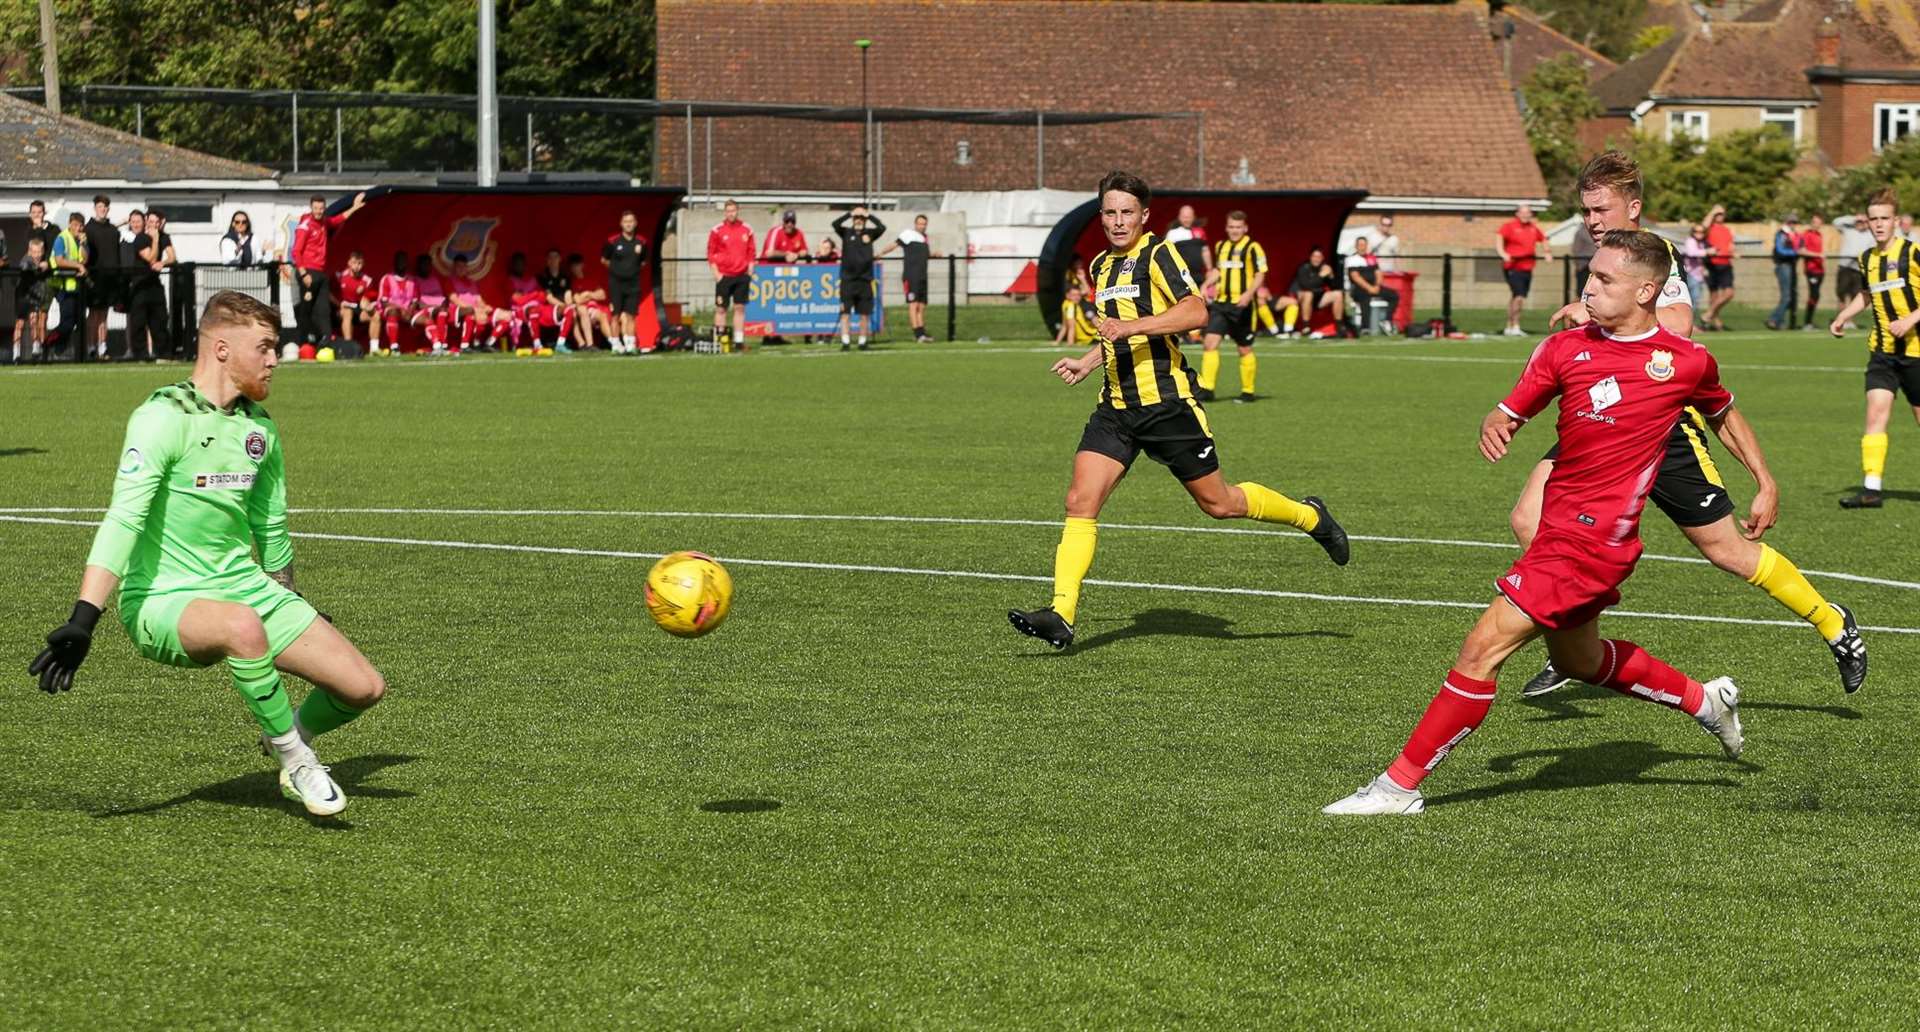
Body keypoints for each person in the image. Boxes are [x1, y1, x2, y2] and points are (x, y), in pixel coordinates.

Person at [1321, 231, 1761, 816]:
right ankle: (1704, 701)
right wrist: (1498, 423)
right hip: (1559, 528)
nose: (1590, 285)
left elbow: (1723, 410)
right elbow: (1514, 406)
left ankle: (1396, 788)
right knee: (1581, 661)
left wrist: (1765, 478)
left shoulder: (1684, 362)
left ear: (1647, 290)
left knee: (1481, 651)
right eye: (1591, 274)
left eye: (1605, 278)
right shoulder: (1564, 348)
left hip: (1593, 543)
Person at [27, 291, 386, 816]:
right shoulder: (161, 417)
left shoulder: (259, 427)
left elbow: (269, 523)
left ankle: (284, 736)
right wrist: (84, 617)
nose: (274, 360)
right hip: (163, 600)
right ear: (221, 348)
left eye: (276, 348)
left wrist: (290, 601)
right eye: (264, 347)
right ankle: (296, 760)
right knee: (241, 627)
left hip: (244, 587)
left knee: (364, 687)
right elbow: (123, 518)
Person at [1524, 152, 1862, 699]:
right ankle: (1574, 648)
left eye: (1600, 208)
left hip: (1661, 430)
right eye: (1584, 210)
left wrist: (1595, 313)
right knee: (1528, 519)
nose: (1590, 220)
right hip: (1602, 423)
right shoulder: (1605, 258)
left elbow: (1680, 323)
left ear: (1632, 207)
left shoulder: (1655, 256)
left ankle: (1831, 621)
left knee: (1727, 550)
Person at [1006, 171, 1350, 651]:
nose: (1118, 220)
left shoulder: (1160, 254)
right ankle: (1061, 614)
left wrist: (1135, 328)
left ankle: (1310, 517)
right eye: (1109, 212)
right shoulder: (1102, 266)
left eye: (1127, 212)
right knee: (1078, 502)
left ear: (1144, 216)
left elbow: (1196, 312)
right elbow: (1116, 330)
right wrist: (1088, 361)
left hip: (1167, 406)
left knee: (1220, 504)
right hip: (1116, 409)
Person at [1829, 188, 1920, 510]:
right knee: (1875, 414)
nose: (1879, 224)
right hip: (1881, 352)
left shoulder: (1913, 253)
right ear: (1867, 223)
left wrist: (1910, 319)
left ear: (1896, 221)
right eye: (1873, 219)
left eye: (1884, 218)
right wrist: (1843, 315)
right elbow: (1866, 295)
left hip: (1916, 353)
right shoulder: (1867, 258)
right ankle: (1871, 489)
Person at [1196, 210, 1267, 402]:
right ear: (1226, 228)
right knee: (1210, 343)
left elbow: (1260, 274)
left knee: (1244, 349)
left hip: (1242, 306)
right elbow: (1219, 270)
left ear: (1245, 228)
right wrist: (1205, 284)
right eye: (1231, 227)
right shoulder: (1221, 246)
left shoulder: (1253, 248)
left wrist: (1248, 294)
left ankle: (1248, 392)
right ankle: (1208, 390)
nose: (1234, 230)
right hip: (1221, 304)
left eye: (1238, 227)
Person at [286, 193, 366, 349]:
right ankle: (303, 343)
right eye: (316, 208)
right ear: (311, 208)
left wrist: (355, 207)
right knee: (306, 310)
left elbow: (338, 220)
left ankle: (326, 342)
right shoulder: (306, 225)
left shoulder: (324, 222)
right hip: (308, 271)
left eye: (321, 208)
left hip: (321, 272)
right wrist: (303, 273)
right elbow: (296, 252)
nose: (319, 211)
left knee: (324, 309)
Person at [832, 205, 886, 351]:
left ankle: (862, 342)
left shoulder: (870, 233)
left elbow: (882, 227)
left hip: (865, 280)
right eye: (857, 218)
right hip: (848, 281)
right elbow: (835, 224)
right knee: (845, 313)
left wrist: (868, 215)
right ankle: (845, 341)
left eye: (861, 218)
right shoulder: (846, 232)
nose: (859, 220)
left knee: (864, 314)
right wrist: (850, 213)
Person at [876, 213, 936, 343]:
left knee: (921, 306)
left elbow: (925, 255)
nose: (922, 226)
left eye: (924, 224)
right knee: (913, 304)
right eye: (920, 223)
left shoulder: (925, 238)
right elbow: (894, 245)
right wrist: (881, 253)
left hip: (922, 276)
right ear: (915, 224)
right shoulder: (908, 234)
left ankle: (922, 332)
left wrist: (934, 254)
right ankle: (917, 334)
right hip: (911, 275)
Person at [125, 210, 175, 362]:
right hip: (140, 285)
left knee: (160, 319)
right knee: (139, 321)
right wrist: (155, 240)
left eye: (157, 222)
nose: (153, 225)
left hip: (154, 284)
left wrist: (163, 262)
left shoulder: (164, 237)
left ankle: (163, 354)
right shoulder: (141, 238)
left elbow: (172, 257)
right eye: (151, 222)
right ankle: (141, 355)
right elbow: (151, 258)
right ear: (147, 222)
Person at [706, 199, 755, 354]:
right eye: (728, 211)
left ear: (737, 210)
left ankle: (739, 341)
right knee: (721, 309)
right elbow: (710, 253)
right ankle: (720, 340)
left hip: (741, 275)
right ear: (725, 212)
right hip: (724, 276)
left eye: (733, 210)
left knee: (739, 308)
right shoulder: (717, 230)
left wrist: (750, 269)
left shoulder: (747, 229)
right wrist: (717, 274)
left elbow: (751, 251)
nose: (731, 213)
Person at [11, 201, 57, 357]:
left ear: (44, 213)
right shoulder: (29, 232)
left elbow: (52, 251)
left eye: (39, 212)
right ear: (30, 214)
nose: (37, 215)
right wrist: (37, 229)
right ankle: (17, 352)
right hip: (27, 287)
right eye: (34, 212)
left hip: (45, 282)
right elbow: (32, 252)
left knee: (41, 318)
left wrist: (49, 264)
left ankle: (41, 349)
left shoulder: (53, 230)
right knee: (22, 320)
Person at [1497, 204, 1551, 335]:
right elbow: (1499, 238)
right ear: (1517, 213)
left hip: (1528, 267)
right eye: (1523, 212)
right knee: (1519, 297)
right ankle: (1515, 325)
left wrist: (1547, 252)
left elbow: (1543, 239)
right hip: (1513, 267)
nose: (1526, 215)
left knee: (1516, 296)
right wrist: (1503, 254)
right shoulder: (1509, 226)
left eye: (1528, 213)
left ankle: (1509, 327)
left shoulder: (1533, 228)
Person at [603, 209, 650, 354]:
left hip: (633, 284)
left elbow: (644, 262)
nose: (628, 224)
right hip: (616, 283)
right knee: (615, 315)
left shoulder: (642, 242)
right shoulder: (612, 241)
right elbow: (604, 260)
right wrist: (618, 271)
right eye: (625, 222)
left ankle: (630, 344)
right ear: (621, 224)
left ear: (635, 223)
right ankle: (616, 345)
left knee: (631, 315)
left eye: (631, 221)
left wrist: (631, 271)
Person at [84, 195, 121, 362]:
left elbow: (116, 255)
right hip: (94, 278)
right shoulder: (88, 229)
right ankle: (90, 347)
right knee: (93, 314)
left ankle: (102, 347)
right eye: (100, 206)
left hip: (110, 280)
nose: (103, 209)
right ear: (95, 208)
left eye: (105, 206)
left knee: (104, 315)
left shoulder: (113, 231)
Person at [49, 212, 89, 361]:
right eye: (75, 225)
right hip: (62, 286)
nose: (78, 228)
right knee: (67, 322)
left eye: (80, 226)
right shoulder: (61, 238)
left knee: (75, 321)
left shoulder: (81, 240)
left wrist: (84, 244)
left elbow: (84, 259)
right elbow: (59, 261)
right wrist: (78, 266)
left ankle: (60, 350)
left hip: (75, 286)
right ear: (70, 224)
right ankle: (48, 343)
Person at [1345, 235, 1400, 334]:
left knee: (1394, 295)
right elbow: (1356, 277)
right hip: (1359, 288)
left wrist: (1377, 286)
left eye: (1364, 245)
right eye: (1360, 245)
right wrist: (1369, 288)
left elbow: (1378, 273)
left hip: (1374, 287)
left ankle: (1387, 320)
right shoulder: (1352, 259)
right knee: (1364, 297)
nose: (1362, 247)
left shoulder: (1371, 258)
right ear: (1356, 246)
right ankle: (1365, 327)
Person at [1289, 247, 1347, 337]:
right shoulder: (1304, 268)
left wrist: (1331, 276)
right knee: (1309, 294)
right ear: (1310, 257)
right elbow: (1307, 286)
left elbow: (1336, 287)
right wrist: (1321, 275)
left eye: (1319, 257)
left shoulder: (1325, 267)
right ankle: (1306, 327)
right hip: (1301, 300)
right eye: (1314, 256)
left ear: (1322, 258)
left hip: (1318, 299)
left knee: (1338, 294)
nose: (1316, 259)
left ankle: (1339, 327)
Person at [11, 235, 51, 364]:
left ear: (43, 251)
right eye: (34, 252)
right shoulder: (26, 260)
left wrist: (47, 264)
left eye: (39, 251)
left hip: (35, 296)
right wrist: (39, 267)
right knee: (20, 324)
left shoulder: (44, 260)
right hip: (22, 296)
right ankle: (16, 353)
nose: (37, 254)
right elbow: (25, 266)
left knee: (34, 321)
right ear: (29, 251)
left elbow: (48, 266)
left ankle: (36, 349)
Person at [373, 251, 418, 356]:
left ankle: (438, 346)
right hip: (389, 310)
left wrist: (410, 311)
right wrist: (401, 309)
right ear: (394, 263)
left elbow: (415, 300)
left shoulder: (412, 280)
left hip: (408, 311)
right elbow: (384, 302)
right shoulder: (387, 278)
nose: (402, 263)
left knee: (427, 318)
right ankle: (394, 346)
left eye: (404, 261)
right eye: (399, 261)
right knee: (392, 312)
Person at [566, 253, 613, 350]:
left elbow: (602, 295)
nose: (575, 268)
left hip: (596, 307)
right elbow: (577, 300)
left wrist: (588, 294)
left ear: (582, 265)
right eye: (573, 266)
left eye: (577, 265)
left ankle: (614, 342)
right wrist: (592, 296)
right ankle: (592, 344)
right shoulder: (572, 282)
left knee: (605, 315)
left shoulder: (590, 279)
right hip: (583, 310)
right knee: (590, 312)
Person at [1835, 211, 1874, 329]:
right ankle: (1840, 320)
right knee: (1841, 295)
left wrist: (1867, 221)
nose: (1861, 223)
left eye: (1864, 221)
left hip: (1858, 268)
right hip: (1845, 266)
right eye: (1859, 221)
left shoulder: (1870, 234)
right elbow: (1836, 222)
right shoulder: (1848, 230)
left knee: (1855, 295)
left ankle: (1849, 321)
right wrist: (1854, 218)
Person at [333, 251, 376, 350]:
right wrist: (338, 304)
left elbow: (367, 299)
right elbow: (328, 293)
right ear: (349, 263)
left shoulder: (367, 280)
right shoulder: (339, 276)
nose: (357, 266)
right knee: (348, 313)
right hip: (342, 310)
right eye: (354, 262)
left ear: (363, 264)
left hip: (358, 309)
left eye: (359, 263)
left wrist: (367, 305)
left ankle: (374, 349)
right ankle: (349, 346)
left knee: (375, 316)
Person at [411, 254, 453, 354]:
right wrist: (434, 307)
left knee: (446, 312)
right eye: (424, 264)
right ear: (419, 266)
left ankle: (443, 345)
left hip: (440, 308)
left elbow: (444, 297)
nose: (426, 267)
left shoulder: (435, 279)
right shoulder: (414, 280)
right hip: (425, 309)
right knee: (441, 311)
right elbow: (418, 303)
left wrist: (444, 304)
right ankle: (441, 345)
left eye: (428, 265)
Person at [536, 249, 576, 353]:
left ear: (560, 259)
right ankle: (560, 344)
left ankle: (583, 344)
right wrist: (564, 306)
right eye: (551, 257)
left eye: (555, 257)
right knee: (569, 311)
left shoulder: (565, 276)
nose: (553, 260)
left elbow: (568, 294)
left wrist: (569, 305)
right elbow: (549, 298)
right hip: (549, 307)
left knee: (574, 312)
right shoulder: (543, 276)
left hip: (563, 306)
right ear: (547, 261)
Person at [1704, 205, 1736, 331]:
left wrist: (1734, 251)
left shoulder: (1727, 230)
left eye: (1722, 214)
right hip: (1712, 264)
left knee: (1729, 293)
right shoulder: (1709, 228)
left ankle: (1708, 314)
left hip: (1725, 263)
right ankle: (1716, 323)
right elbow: (1704, 225)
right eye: (1718, 214)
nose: (1720, 216)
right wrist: (1713, 211)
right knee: (1714, 295)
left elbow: (1730, 245)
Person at [1767, 214, 1800, 330]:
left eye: (1794, 222)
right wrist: (1795, 252)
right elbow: (1780, 250)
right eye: (1790, 222)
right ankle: (1774, 319)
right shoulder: (1781, 234)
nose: (1793, 224)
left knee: (1790, 296)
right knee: (1787, 297)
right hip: (1783, 266)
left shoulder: (1794, 235)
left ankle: (1780, 322)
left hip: (1791, 266)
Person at [1053, 283, 1101, 348]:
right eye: (1074, 295)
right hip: (1087, 339)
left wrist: (1070, 343)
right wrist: (1057, 341)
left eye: (1078, 295)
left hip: (1092, 338)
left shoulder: (1074, 305)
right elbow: (1065, 325)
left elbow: (1071, 327)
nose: (1076, 297)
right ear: (1067, 295)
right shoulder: (1068, 305)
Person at [1801, 214, 1827, 330]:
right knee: (1814, 295)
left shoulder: (1819, 235)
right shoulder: (1807, 234)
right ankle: (1807, 322)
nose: (1816, 224)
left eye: (1818, 222)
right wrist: (1818, 255)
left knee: (1816, 296)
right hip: (1811, 270)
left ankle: (1809, 322)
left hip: (1820, 270)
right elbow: (1802, 250)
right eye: (1814, 221)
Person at [1680, 222, 1710, 312]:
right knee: (1692, 299)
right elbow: (1691, 253)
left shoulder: (1702, 243)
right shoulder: (1690, 241)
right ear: (1693, 232)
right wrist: (1707, 251)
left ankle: (1690, 322)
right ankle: (1688, 322)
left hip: (1698, 274)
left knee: (1695, 299)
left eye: (1702, 232)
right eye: (1697, 231)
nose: (1699, 233)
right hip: (1690, 273)